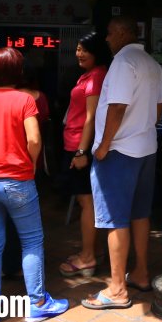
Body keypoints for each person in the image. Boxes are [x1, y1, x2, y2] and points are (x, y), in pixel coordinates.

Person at [0, 47, 68, 322]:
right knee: (31, 241)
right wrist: (31, 164)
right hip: (17, 181)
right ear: (18, 71)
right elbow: (34, 139)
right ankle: (37, 304)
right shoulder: (24, 100)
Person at [85, 16, 162, 310]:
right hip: (146, 148)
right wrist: (141, 128)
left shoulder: (122, 62)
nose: (106, 39)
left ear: (120, 33)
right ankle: (141, 272)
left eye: (108, 33)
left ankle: (117, 288)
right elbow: (159, 107)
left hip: (119, 152)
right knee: (140, 214)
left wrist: (104, 145)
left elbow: (117, 106)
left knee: (116, 219)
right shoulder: (151, 63)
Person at [59, 32, 111, 279]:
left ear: (97, 52)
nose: (79, 53)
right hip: (76, 142)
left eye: (84, 49)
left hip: (82, 145)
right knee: (86, 200)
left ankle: (88, 258)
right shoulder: (88, 76)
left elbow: (91, 118)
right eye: (77, 49)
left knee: (86, 201)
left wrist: (81, 151)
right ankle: (95, 250)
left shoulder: (97, 77)